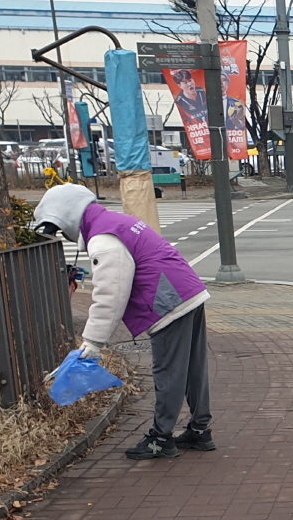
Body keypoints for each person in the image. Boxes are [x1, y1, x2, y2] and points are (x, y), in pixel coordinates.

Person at [30, 183, 214, 460]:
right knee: (192, 369)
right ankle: (199, 431)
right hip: (188, 292)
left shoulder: (103, 239)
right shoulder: (117, 222)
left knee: (169, 373)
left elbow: (110, 294)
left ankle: (161, 438)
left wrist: (92, 342)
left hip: (167, 302)